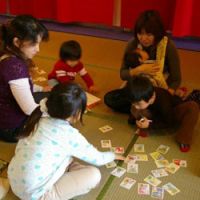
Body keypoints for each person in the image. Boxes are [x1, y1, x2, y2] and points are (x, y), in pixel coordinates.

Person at [8, 83, 124, 200]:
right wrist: (113, 155)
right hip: (35, 194)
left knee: (66, 156)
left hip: (15, 178)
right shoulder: (69, 135)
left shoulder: (38, 114)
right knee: (94, 175)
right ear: (76, 114)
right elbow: (98, 159)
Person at [104, 10, 182, 114]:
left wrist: (167, 94)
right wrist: (139, 69)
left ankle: (144, 110)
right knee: (110, 98)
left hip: (158, 91)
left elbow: (176, 78)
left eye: (149, 35)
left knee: (174, 106)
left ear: (157, 34)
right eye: (140, 34)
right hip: (137, 91)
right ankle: (146, 110)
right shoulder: (132, 44)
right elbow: (123, 74)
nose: (144, 39)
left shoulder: (168, 46)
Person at [0, 15, 50, 143]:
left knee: (50, 96)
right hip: (12, 129)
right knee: (59, 116)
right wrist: (57, 116)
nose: (38, 49)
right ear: (17, 42)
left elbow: (17, 87)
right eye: (33, 44)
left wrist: (40, 88)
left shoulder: (5, 53)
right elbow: (29, 109)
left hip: (4, 118)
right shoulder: (15, 67)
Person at [127, 75, 199, 152]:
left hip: (171, 113)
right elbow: (135, 109)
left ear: (151, 98)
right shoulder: (141, 98)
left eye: (138, 104)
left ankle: (183, 139)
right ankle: (145, 124)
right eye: (134, 103)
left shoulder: (164, 102)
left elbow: (169, 122)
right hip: (155, 114)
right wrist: (137, 120)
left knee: (192, 107)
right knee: (135, 109)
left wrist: (149, 125)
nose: (136, 106)